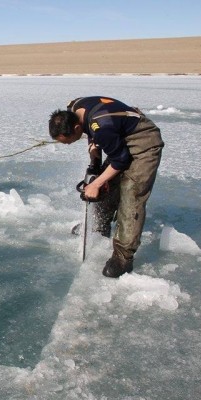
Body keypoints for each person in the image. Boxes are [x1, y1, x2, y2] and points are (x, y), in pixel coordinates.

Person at [48, 96, 164, 278]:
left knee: (130, 195)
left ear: (77, 128)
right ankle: (99, 226)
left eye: (68, 140)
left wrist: (96, 183)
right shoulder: (75, 108)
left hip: (143, 143)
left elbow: (120, 160)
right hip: (120, 138)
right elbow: (93, 133)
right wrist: (95, 161)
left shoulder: (102, 126)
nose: (69, 144)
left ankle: (123, 258)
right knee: (107, 186)